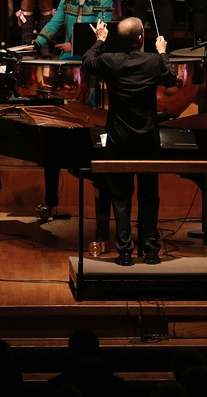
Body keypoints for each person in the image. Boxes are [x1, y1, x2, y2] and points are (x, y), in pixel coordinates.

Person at [82, 16, 177, 265]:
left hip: (119, 140)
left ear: (118, 38)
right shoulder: (153, 61)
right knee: (149, 195)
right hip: (147, 140)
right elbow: (171, 78)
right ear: (141, 38)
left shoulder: (110, 60)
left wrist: (100, 40)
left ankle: (124, 253)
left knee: (120, 197)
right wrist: (163, 52)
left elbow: (87, 62)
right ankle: (151, 251)